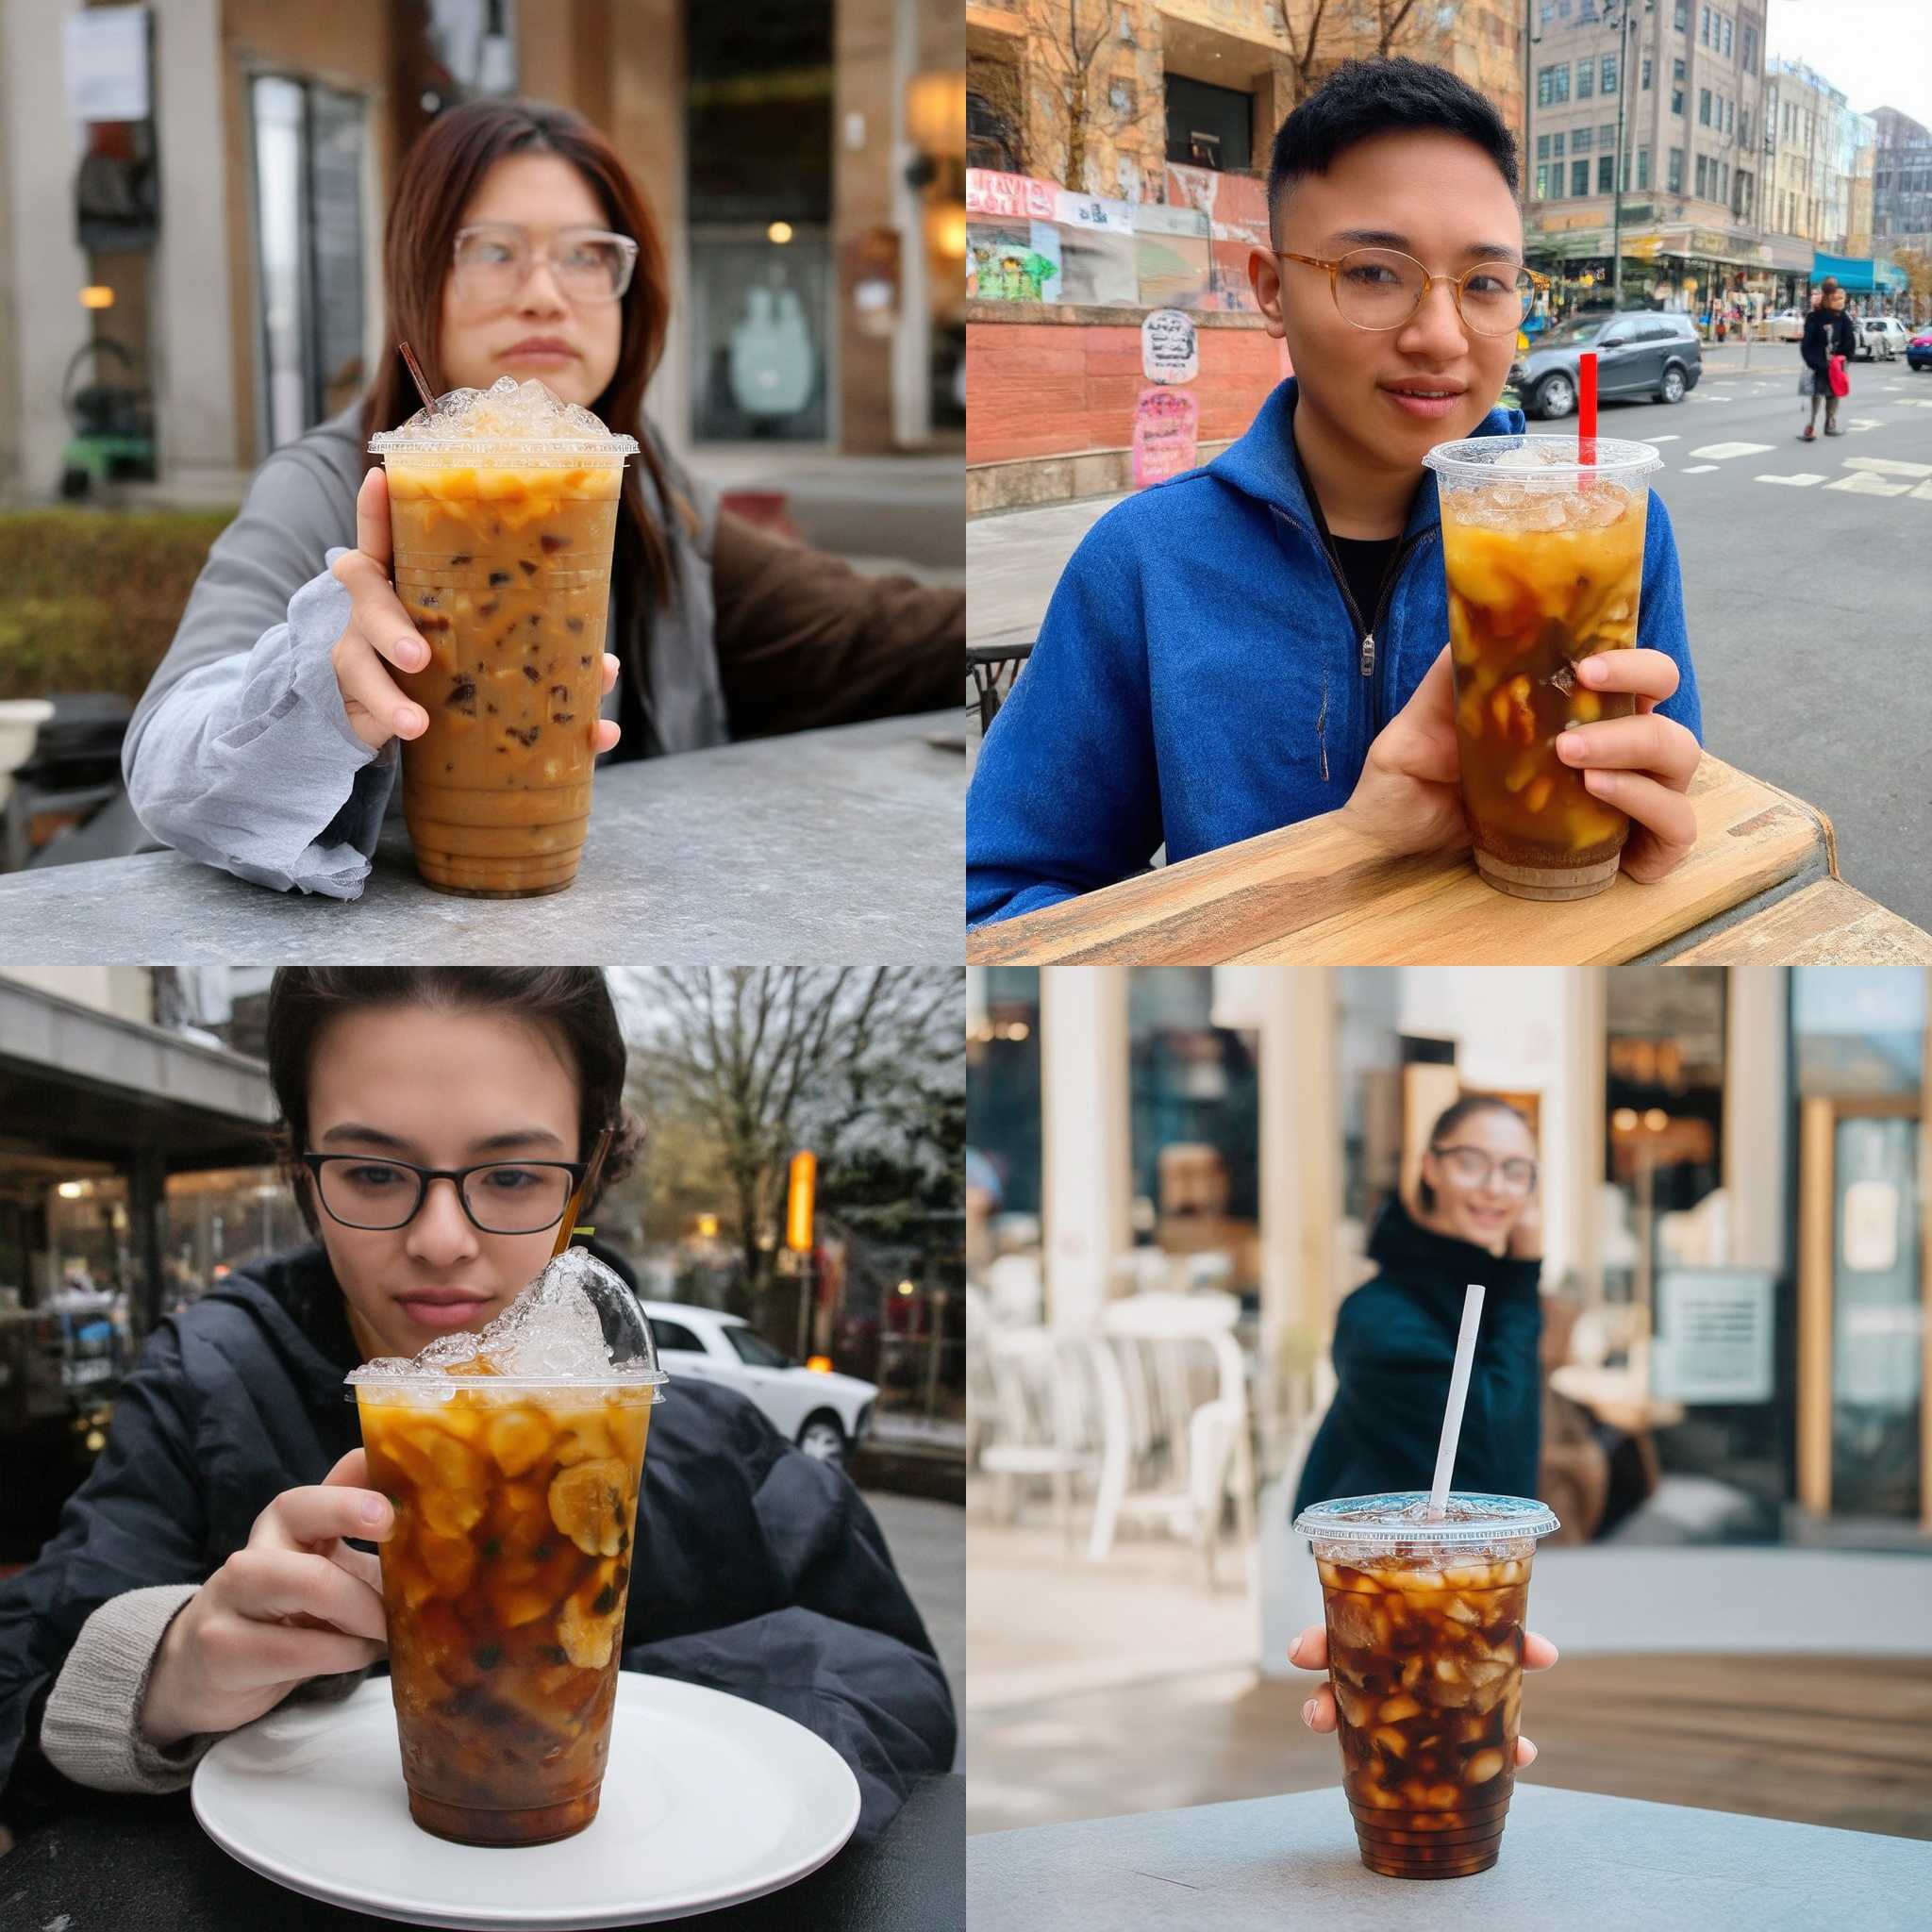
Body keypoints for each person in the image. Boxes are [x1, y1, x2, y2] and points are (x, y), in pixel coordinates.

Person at [0, 968, 954, 1842]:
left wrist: (594, 1699)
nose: (443, 1238)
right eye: (373, 1171)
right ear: (303, 1173)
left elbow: (898, 1687)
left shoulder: (713, 1438)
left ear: (584, 1175)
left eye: (509, 1174)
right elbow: (21, 1677)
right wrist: (160, 1675)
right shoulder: (203, 1389)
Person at [124, 99, 962, 900]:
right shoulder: (328, 485)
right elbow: (165, 760)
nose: (545, 294)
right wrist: (313, 686)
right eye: (491, 250)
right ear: (420, 276)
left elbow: (863, 636)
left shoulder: (649, 501)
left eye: (587, 254)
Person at [966, 59, 1702, 927]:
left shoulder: (1610, 527)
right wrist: (1339, 857)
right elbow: (994, 903)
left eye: (1485, 285)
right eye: (1374, 273)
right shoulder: (1144, 563)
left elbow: (1673, 820)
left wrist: (1661, 835)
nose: (1439, 337)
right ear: (1272, 291)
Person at [1292, 1094, 1545, 1517]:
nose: (1495, 1187)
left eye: (1516, 1171)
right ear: (1430, 1168)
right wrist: (1523, 1274)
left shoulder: (1492, 1292)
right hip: (1375, 1567)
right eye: (1471, 1162)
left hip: (1460, 1567)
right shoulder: (1377, 1316)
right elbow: (1501, 1461)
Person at [1799, 278, 1857, 441]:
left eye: (1840, 298)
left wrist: (1843, 357)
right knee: (1816, 393)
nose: (1838, 301)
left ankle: (1829, 423)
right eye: (1834, 297)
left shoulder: (1842, 317)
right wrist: (1815, 362)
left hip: (1835, 363)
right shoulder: (1814, 317)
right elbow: (1807, 343)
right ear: (1826, 297)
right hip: (1818, 363)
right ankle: (1811, 425)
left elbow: (1849, 339)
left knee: (1834, 393)